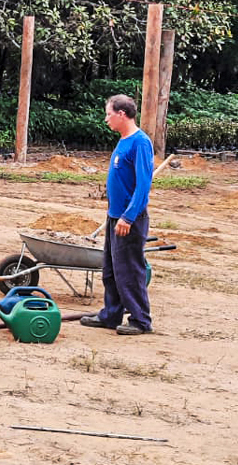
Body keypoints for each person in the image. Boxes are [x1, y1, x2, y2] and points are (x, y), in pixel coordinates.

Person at [81, 94, 155, 335]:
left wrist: (128, 217)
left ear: (122, 114)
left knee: (130, 271)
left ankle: (140, 320)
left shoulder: (140, 143)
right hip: (115, 216)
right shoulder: (123, 140)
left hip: (129, 219)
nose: (106, 119)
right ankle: (111, 315)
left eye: (109, 114)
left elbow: (143, 186)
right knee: (111, 271)